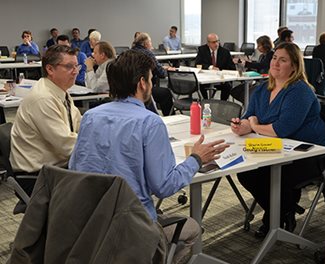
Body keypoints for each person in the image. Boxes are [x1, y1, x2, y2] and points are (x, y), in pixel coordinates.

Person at [69, 49, 229, 263]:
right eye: (151, 79)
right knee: (192, 229)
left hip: (90, 222)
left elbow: (75, 169)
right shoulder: (150, 122)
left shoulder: (89, 117)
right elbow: (164, 187)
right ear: (142, 83)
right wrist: (196, 159)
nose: (152, 84)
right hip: (132, 227)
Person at [231, 42, 325, 238]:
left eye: (283, 60)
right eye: (275, 58)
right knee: (247, 173)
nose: (275, 63)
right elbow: (248, 116)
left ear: (294, 66)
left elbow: (281, 129)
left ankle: (275, 216)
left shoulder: (299, 91)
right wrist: (241, 125)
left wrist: (254, 126)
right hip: (276, 149)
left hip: (310, 154)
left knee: (276, 176)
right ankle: (284, 210)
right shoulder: (262, 89)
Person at [10, 45, 82, 195]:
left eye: (77, 66)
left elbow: (80, 125)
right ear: (50, 69)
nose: (75, 71)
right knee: (101, 191)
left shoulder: (60, 92)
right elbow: (66, 144)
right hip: (37, 178)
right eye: (69, 66)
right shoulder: (43, 98)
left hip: (54, 170)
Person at [132, 32, 174, 116]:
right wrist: (167, 70)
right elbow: (161, 73)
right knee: (166, 93)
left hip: (130, 89)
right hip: (143, 89)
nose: (151, 44)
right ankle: (169, 118)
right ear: (145, 43)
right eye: (150, 42)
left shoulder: (131, 52)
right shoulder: (147, 53)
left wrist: (161, 66)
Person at [231, 35, 274, 103]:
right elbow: (259, 65)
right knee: (235, 91)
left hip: (264, 81)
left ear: (265, 45)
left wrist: (247, 63)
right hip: (259, 79)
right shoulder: (262, 55)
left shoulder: (271, 55)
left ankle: (249, 106)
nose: (257, 48)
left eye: (259, 45)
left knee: (243, 94)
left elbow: (262, 65)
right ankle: (248, 105)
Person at [195, 33, 236, 100]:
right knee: (199, 85)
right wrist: (210, 67)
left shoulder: (225, 52)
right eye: (213, 42)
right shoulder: (202, 50)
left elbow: (232, 68)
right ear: (208, 43)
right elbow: (198, 64)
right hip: (206, 78)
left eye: (217, 41)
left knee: (228, 86)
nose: (216, 44)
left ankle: (223, 103)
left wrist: (223, 73)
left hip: (221, 79)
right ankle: (206, 101)